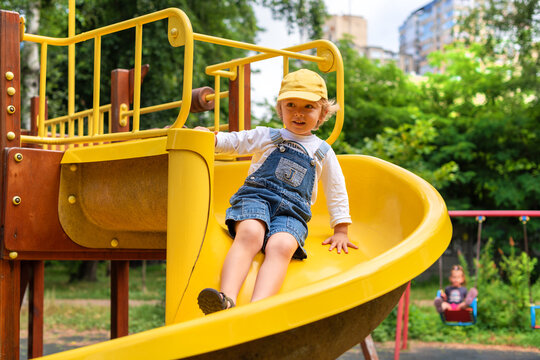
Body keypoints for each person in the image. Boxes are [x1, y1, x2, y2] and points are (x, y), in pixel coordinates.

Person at [196, 69, 356, 315]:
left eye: (308, 107)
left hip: (293, 212)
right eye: (290, 104)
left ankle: (258, 309)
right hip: (257, 197)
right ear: (280, 109)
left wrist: (341, 228)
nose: (298, 113)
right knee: (250, 232)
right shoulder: (268, 136)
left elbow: (336, 188)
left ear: (323, 113)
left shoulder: (323, 151)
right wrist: (211, 140)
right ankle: (225, 299)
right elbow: (237, 141)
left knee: (282, 246)